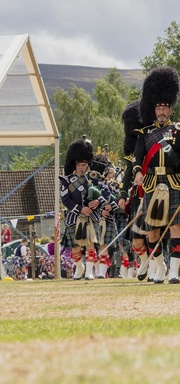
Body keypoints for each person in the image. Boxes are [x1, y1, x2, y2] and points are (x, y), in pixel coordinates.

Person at [133, 66, 180, 284]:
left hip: (175, 183)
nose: (161, 111)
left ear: (170, 109)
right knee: (152, 232)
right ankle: (160, 267)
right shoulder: (145, 133)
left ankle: (174, 272)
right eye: (158, 107)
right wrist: (138, 173)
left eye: (165, 107)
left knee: (176, 227)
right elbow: (137, 158)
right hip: (152, 184)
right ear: (154, 108)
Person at [59, 137, 107, 280]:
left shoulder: (94, 178)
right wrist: (80, 209)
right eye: (79, 165)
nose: (82, 168)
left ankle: (89, 272)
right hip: (74, 217)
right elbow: (65, 200)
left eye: (84, 165)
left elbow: (107, 192)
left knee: (90, 244)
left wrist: (98, 202)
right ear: (75, 165)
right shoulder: (66, 181)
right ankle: (80, 267)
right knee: (75, 247)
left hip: (91, 217)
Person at [118, 100, 147, 280]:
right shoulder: (131, 152)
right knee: (137, 240)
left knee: (152, 235)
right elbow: (129, 173)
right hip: (137, 197)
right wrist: (122, 195)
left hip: (154, 193)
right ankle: (146, 262)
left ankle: (156, 266)